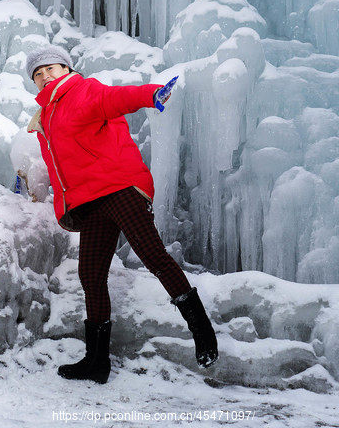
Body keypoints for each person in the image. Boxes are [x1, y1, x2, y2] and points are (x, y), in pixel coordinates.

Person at [25, 45, 218, 384]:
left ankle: (202, 331)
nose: (44, 77)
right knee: (91, 276)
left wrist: (151, 94)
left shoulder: (83, 90)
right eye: (37, 74)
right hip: (91, 201)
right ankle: (97, 360)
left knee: (153, 255)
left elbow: (116, 98)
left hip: (119, 187)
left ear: (66, 69)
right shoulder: (46, 117)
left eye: (49, 70)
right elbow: (59, 170)